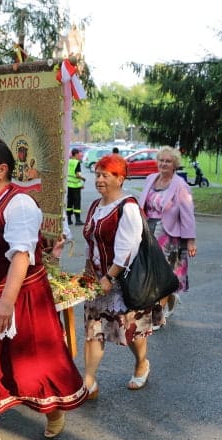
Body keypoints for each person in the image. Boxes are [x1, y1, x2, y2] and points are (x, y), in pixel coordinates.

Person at [0, 138, 87, 440]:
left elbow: (22, 256)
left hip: (21, 297)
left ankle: (53, 409)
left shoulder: (19, 204)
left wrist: (5, 301)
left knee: (31, 365)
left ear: (2, 170)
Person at [82, 154, 163, 399]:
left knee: (131, 332)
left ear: (120, 178)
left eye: (106, 175)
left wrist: (110, 276)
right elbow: (91, 240)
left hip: (123, 282)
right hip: (98, 280)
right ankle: (89, 383)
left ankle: (141, 363)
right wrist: (89, 268)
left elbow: (129, 248)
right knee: (93, 330)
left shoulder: (127, 207)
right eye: (97, 174)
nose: (99, 180)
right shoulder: (96, 206)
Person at [138, 146, 197, 319]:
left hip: (169, 236)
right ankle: (169, 297)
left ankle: (158, 315)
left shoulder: (181, 186)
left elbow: (188, 215)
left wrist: (191, 240)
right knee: (150, 271)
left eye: (168, 161)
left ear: (175, 165)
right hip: (148, 231)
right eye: (161, 160)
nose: (163, 164)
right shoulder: (150, 179)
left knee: (164, 273)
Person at [66, 148, 86, 225]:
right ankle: (77, 220)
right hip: (75, 186)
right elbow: (77, 175)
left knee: (69, 202)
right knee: (77, 202)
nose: (79, 156)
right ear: (76, 154)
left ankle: (69, 220)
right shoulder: (77, 162)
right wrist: (83, 179)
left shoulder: (69, 161)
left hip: (69, 185)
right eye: (79, 154)